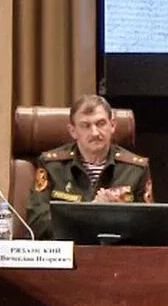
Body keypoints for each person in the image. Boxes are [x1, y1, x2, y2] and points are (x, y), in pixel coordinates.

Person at [26, 94, 153, 240]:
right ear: (73, 131)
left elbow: (148, 228)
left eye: (100, 124)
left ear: (112, 125)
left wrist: (118, 214)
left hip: (116, 255)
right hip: (67, 255)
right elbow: (37, 223)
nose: (94, 132)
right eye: (86, 125)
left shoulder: (136, 168)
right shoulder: (51, 166)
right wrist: (91, 212)